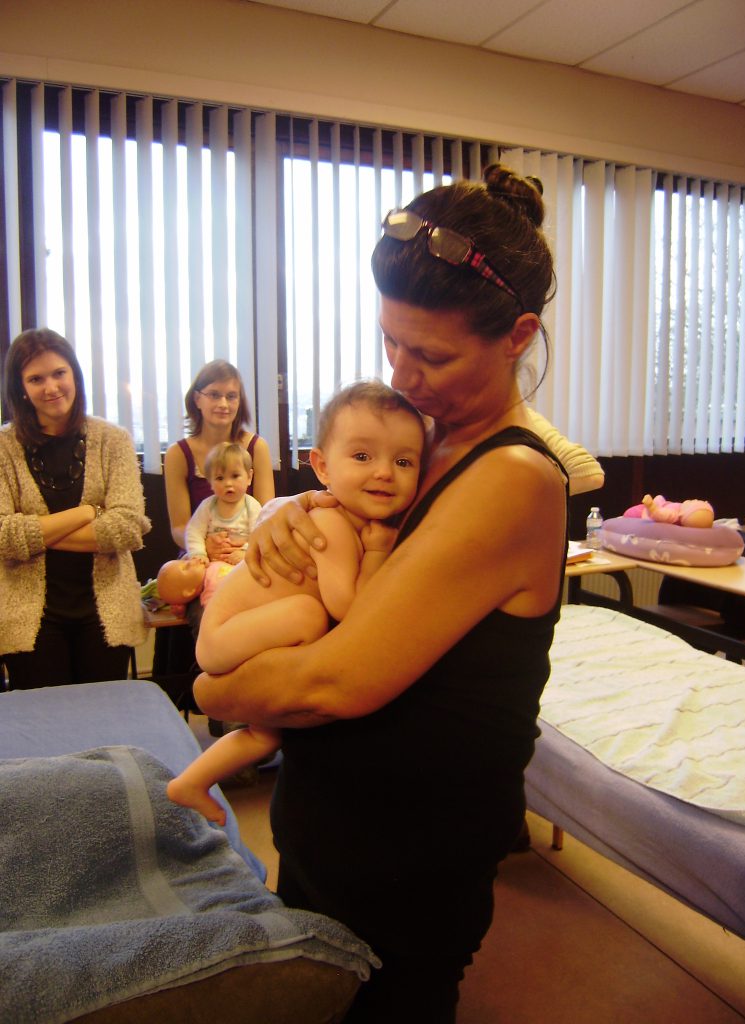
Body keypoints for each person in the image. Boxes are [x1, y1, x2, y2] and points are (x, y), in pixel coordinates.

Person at [193, 164, 569, 1023]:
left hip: (412, 852)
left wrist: (213, 688)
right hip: (332, 821)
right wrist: (299, 513)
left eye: (431, 354)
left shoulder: (514, 477)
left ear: (516, 336)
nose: (402, 375)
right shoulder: (424, 438)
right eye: (390, 343)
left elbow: (337, 680)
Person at [167, 381, 425, 825]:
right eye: (362, 457)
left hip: (243, 633)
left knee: (266, 735)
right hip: (223, 636)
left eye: (403, 461)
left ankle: (189, 783)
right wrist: (380, 551)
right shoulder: (333, 523)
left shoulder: (344, 518)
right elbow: (349, 608)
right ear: (322, 466)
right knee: (311, 616)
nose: (384, 471)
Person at [0, 328, 150, 688]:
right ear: (21, 387)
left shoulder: (113, 440)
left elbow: (129, 526)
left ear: (74, 375)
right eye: (36, 379)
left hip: (105, 611)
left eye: (58, 373)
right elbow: (3, 535)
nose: (51, 387)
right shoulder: (3, 448)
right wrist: (87, 513)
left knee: (104, 723)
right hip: (29, 616)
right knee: (46, 730)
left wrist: (36, 531)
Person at [155, 360, 275, 687]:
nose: (223, 404)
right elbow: (179, 526)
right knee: (207, 609)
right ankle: (216, 683)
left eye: (232, 396)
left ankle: (256, 686)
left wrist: (244, 549)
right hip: (200, 554)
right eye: (214, 395)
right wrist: (205, 548)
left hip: (248, 551)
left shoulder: (256, 447)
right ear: (197, 399)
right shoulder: (179, 453)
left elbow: (267, 516)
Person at [185, 442, 262, 566]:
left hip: (242, 564)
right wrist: (199, 553)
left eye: (235, 476)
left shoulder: (252, 506)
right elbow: (194, 531)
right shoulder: (207, 506)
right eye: (220, 478)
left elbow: (259, 535)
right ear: (210, 482)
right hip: (211, 562)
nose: (228, 483)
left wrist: (245, 552)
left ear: (249, 477)